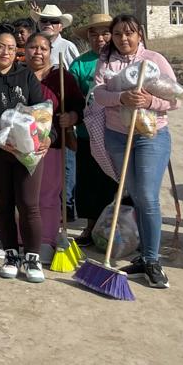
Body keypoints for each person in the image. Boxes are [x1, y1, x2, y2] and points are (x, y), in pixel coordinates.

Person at [90, 15, 179, 289]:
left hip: (151, 136)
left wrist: (150, 100)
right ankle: (143, 255)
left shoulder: (155, 59)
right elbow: (98, 94)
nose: (124, 39)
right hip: (118, 136)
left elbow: (175, 99)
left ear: (139, 34)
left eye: (129, 33)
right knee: (135, 195)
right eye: (118, 34)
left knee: (148, 197)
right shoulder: (106, 62)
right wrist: (120, 98)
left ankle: (152, 260)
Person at [0, 26, 48, 282]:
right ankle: (11, 254)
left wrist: (48, 138)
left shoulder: (26, 77)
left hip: (28, 152)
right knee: (4, 204)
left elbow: (41, 112)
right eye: (1, 46)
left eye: (12, 48)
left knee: (28, 204)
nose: (6, 51)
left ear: (18, 52)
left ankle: (32, 258)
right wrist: (6, 137)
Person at [24, 31, 84, 252]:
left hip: (53, 145)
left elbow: (79, 106)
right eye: (33, 47)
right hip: (20, 148)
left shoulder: (62, 78)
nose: (38, 52)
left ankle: (47, 240)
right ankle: (22, 240)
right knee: (23, 196)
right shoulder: (17, 75)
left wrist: (72, 117)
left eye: (43, 48)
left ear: (50, 52)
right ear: (25, 50)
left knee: (48, 195)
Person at [68, 13, 116, 244]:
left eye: (105, 32)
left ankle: (118, 227)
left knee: (116, 181)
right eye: (94, 34)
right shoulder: (80, 63)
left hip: (118, 132)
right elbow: (74, 99)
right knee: (89, 181)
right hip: (88, 133)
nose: (100, 38)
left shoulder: (121, 60)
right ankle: (90, 227)